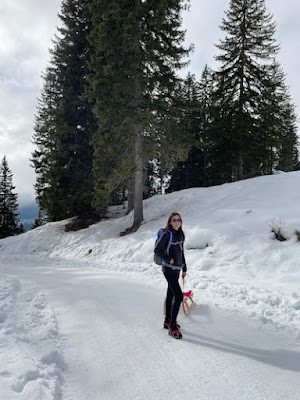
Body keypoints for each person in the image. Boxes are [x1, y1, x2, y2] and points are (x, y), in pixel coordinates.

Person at [154, 212, 187, 339]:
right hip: (168, 269)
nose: (177, 222)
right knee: (178, 296)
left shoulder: (181, 234)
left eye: (179, 219)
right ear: (170, 222)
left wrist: (184, 267)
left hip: (177, 269)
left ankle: (167, 321)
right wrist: (168, 260)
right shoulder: (167, 234)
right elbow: (157, 250)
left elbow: (181, 252)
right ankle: (172, 326)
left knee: (171, 294)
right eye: (174, 220)